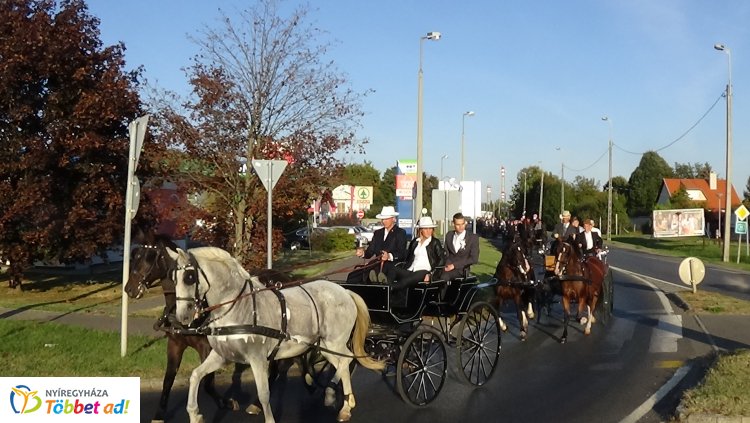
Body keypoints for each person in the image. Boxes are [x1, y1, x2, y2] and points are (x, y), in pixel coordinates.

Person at [349, 205, 407, 283]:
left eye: (386, 219)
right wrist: (362, 253)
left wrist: (389, 256)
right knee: (352, 276)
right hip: (376, 264)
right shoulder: (378, 233)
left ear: (393, 219)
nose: (384, 221)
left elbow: (402, 253)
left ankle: (378, 279)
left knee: (382, 273)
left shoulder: (400, 233)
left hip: (392, 265)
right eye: (383, 219)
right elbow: (370, 252)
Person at [385, 216, 445, 288]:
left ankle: (388, 289)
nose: (428, 231)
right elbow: (408, 257)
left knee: (405, 281)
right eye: (426, 228)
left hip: (424, 271)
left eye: (430, 228)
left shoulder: (435, 242)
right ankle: (385, 285)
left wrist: (431, 274)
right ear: (421, 230)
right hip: (411, 270)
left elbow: (441, 260)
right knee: (392, 269)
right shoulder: (415, 242)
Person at [442, 212, 480, 281]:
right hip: (448, 267)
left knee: (444, 276)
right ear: (453, 224)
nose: (461, 227)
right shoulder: (449, 235)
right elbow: (446, 254)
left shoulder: (473, 238)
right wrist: (447, 265)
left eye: (462, 224)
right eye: (458, 224)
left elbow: (474, 259)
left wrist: (454, 265)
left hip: (462, 270)